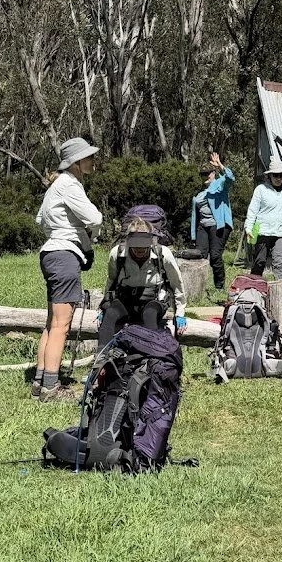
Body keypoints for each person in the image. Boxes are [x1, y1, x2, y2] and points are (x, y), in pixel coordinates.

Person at [34, 137, 103, 401]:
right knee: (62, 325)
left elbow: (40, 219)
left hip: (51, 253)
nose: (92, 161)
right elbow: (95, 218)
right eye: (88, 157)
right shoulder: (70, 185)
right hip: (64, 256)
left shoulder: (55, 185)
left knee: (52, 323)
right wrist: (89, 236)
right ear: (76, 162)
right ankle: (51, 389)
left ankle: (40, 382)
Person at [99, 218, 188, 346]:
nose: (140, 251)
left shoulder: (163, 254)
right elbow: (111, 280)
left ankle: (150, 357)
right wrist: (104, 305)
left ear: (151, 241)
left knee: (149, 315)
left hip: (153, 300)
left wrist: (180, 313)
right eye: (136, 247)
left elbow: (176, 283)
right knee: (110, 314)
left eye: (143, 247)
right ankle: (101, 360)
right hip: (125, 299)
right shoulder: (117, 253)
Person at [190, 151, 235, 291]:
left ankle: (219, 286)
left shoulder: (220, 184)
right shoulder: (199, 194)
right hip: (203, 227)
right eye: (202, 174)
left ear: (213, 173)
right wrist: (193, 236)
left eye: (207, 173)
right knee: (200, 256)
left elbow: (230, 178)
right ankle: (198, 288)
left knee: (215, 256)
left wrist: (220, 165)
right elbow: (194, 216)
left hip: (219, 225)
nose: (205, 176)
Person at [244, 156, 282, 280]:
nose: (278, 178)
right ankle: (253, 291)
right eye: (275, 175)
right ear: (269, 176)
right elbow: (252, 210)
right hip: (262, 231)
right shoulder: (261, 190)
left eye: (281, 175)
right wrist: (249, 228)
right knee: (259, 262)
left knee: (279, 263)